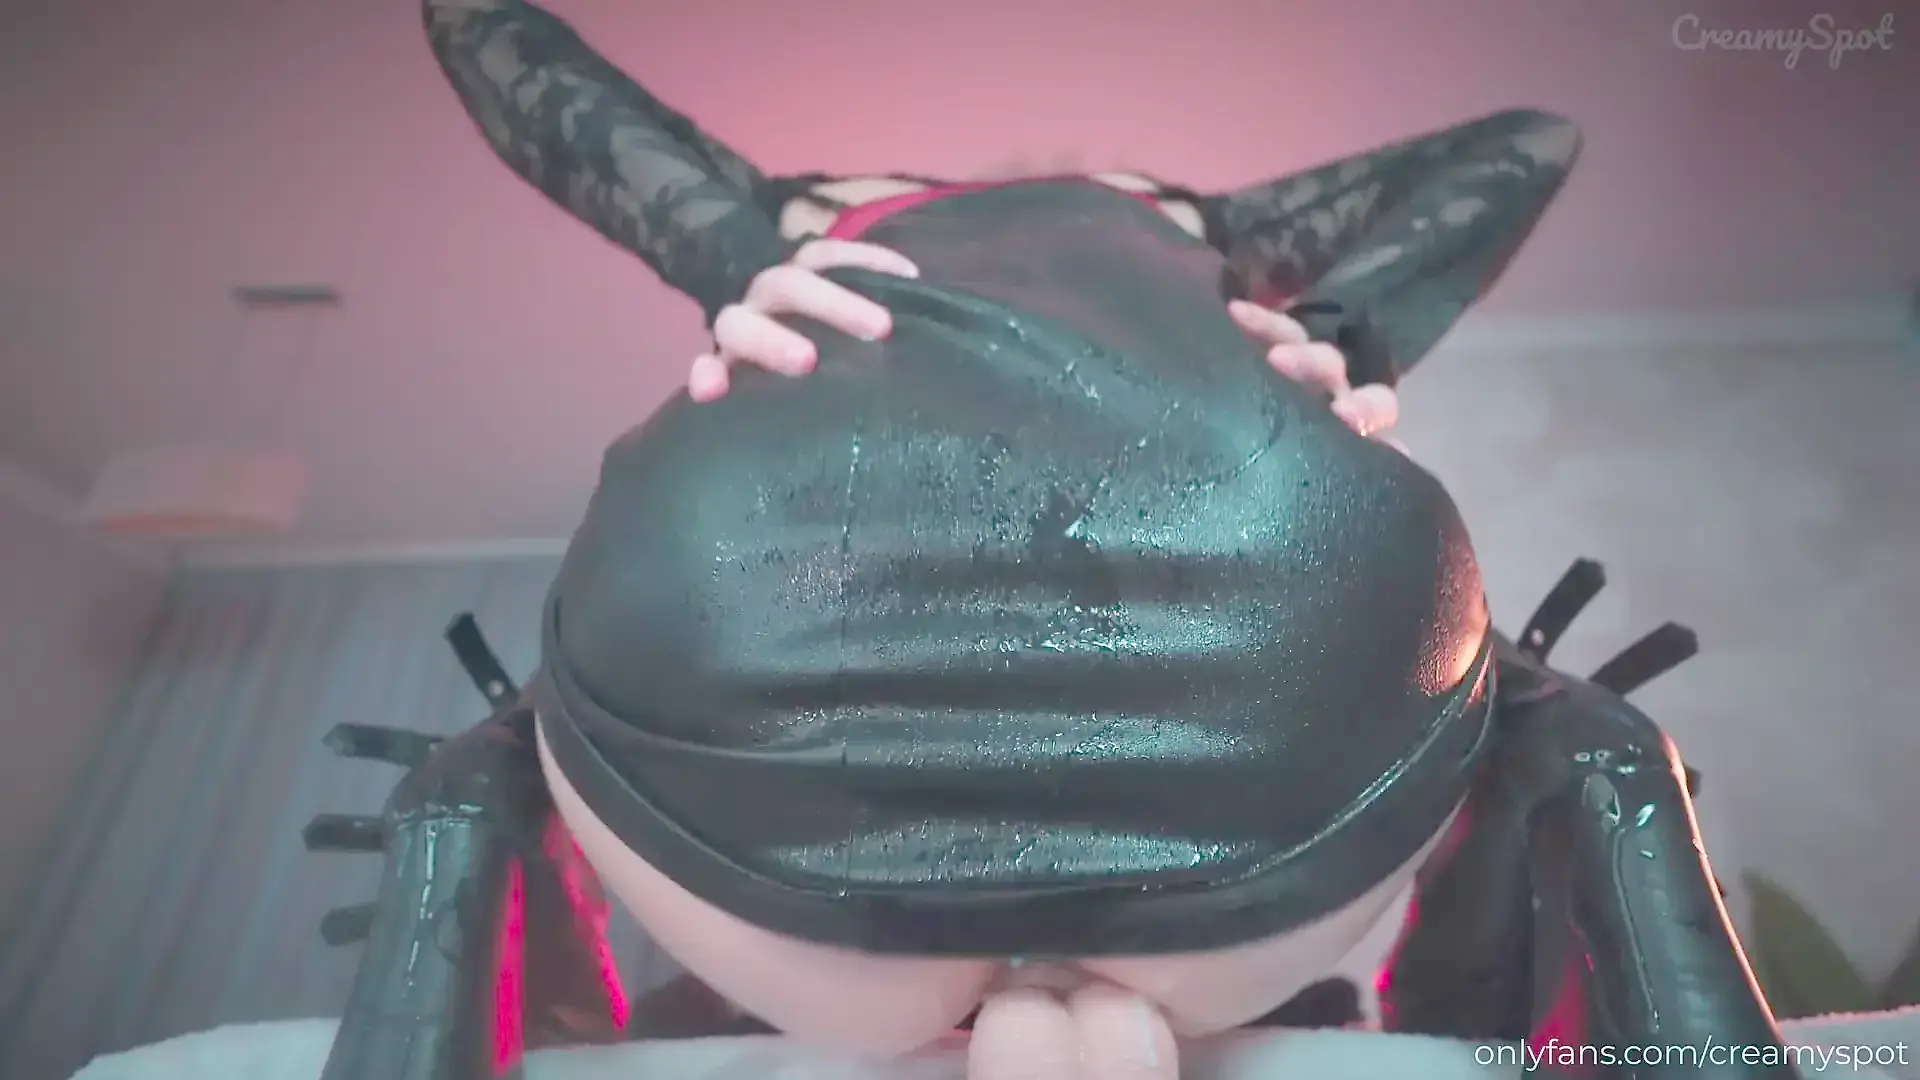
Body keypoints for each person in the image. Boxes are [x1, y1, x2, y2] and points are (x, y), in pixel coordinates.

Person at [310, 3, 1794, 1079]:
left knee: (477, 783)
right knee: (1590, 745)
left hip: (777, 630)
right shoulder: (1205, 226)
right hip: (1269, 674)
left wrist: (739, 247)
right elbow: (1529, 141)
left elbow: (486, 29)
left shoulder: (808, 220)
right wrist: (1344, 329)